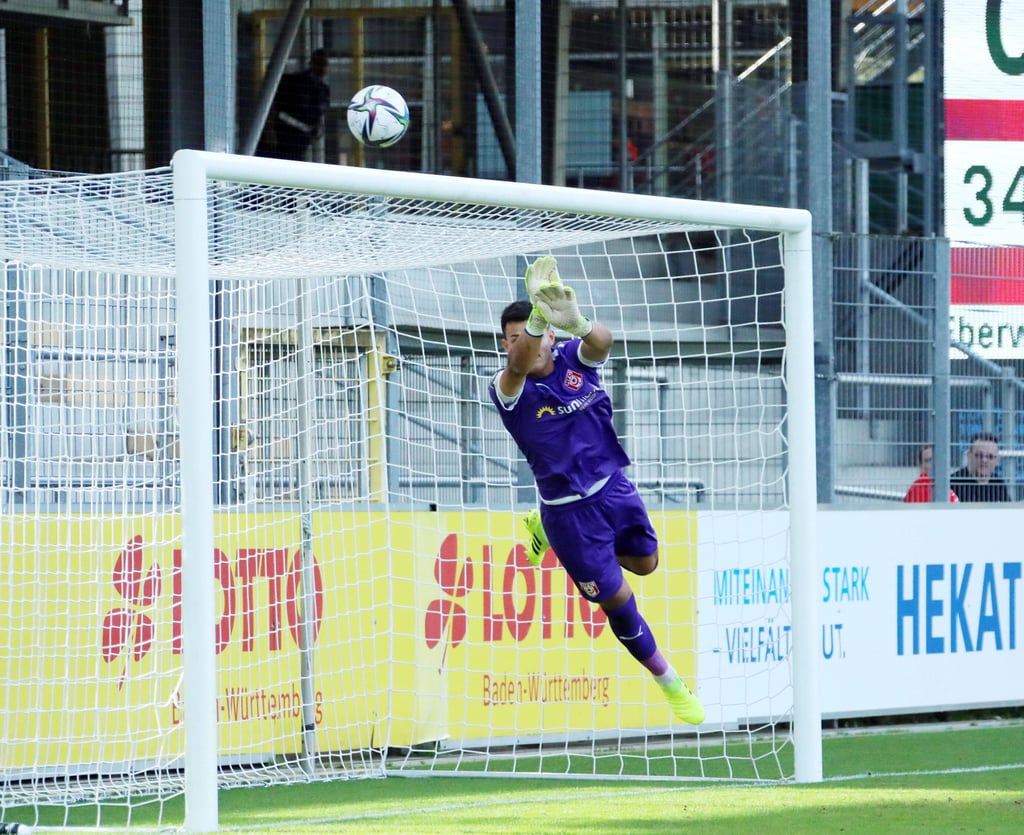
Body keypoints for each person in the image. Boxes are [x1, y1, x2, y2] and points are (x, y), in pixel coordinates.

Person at [488, 255, 704, 725]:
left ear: (552, 336)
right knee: (619, 601)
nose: (522, 341)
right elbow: (522, 360)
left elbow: (603, 343)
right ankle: (670, 683)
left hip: (615, 489)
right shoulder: (509, 388)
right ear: (507, 344)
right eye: (512, 336)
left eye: (533, 330)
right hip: (570, 515)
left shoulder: (572, 358)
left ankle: (540, 525)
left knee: (647, 565)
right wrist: (539, 320)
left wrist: (578, 322)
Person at [261, 49, 330, 161]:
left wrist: (319, 129)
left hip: (301, 140)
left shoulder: (324, 90)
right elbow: (272, 105)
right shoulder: (291, 81)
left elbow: (320, 114)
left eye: (325, 65)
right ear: (311, 63)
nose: (322, 68)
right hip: (282, 135)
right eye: (318, 63)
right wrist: (270, 130)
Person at [950, 431, 1012, 502]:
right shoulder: (953, 483)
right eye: (979, 455)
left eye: (990, 456)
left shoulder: (999, 484)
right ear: (969, 456)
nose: (984, 460)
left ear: (997, 459)